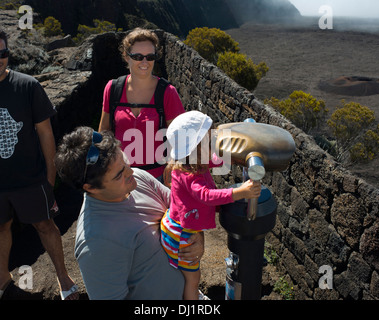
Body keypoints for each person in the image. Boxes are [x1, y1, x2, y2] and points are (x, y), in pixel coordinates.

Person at [0, 25, 78, 300]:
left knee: (46, 225)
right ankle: (2, 275)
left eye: (4, 52)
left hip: (32, 177)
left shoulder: (27, 86)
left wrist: (50, 172)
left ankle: (63, 277)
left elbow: (45, 132)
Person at [54, 126, 204, 299]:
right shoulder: (96, 243)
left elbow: (184, 209)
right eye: (119, 174)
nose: (131, 171)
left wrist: (198, 236)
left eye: (125, 162)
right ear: (91, 188)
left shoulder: (137, 178)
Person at [161, 111, 262, 300]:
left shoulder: (190, 161)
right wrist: (241, 192)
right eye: (209, 140)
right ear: (197, 148)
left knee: (184, 273)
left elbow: (216, 160)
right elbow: (207, 196)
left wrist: (236, 156)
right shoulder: (189, 175)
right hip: (182, 234)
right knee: (193, 278)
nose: (214, 142)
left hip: (175, 224)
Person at [98, 27, 185, 183]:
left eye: (150, 56)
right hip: (119, 179)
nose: (144, 62)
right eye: (138, 56)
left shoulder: (167, 93)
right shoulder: (112, 89)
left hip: (157, 180)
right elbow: (104, 132)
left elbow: (180, 138)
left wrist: (172, 170)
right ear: (126, 56)